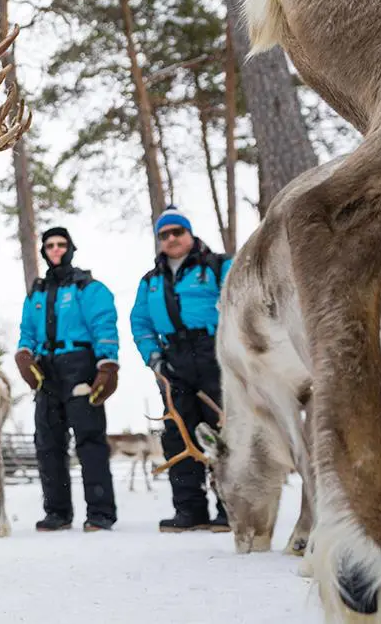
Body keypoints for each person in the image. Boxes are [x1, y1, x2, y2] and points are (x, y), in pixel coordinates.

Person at [130, 205, 232, 533]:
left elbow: (241, 306)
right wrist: (154, 358)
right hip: (173, 361)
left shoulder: (218, 267)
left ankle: (231, 505)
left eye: (178, 232)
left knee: (223, 430)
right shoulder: (151, 282)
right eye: (164, 234)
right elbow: (140, 322)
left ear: (189, 233)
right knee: (178, 433)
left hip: (214, 354)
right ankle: (189, 509)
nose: (172, 238)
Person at [14, 226, 121, 533]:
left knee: (89, 440)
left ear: (71, 248)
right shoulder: (37, 292)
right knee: (48, 442)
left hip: (80, 365)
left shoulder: (88, 287)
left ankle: (100, 513)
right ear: (44, 251)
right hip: (46, 369)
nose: (56, 249)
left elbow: (104, 324)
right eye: (50, 245)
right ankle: (57, 512)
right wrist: (24, 354)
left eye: (61, 244)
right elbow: (27, 330)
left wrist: (107, 365)